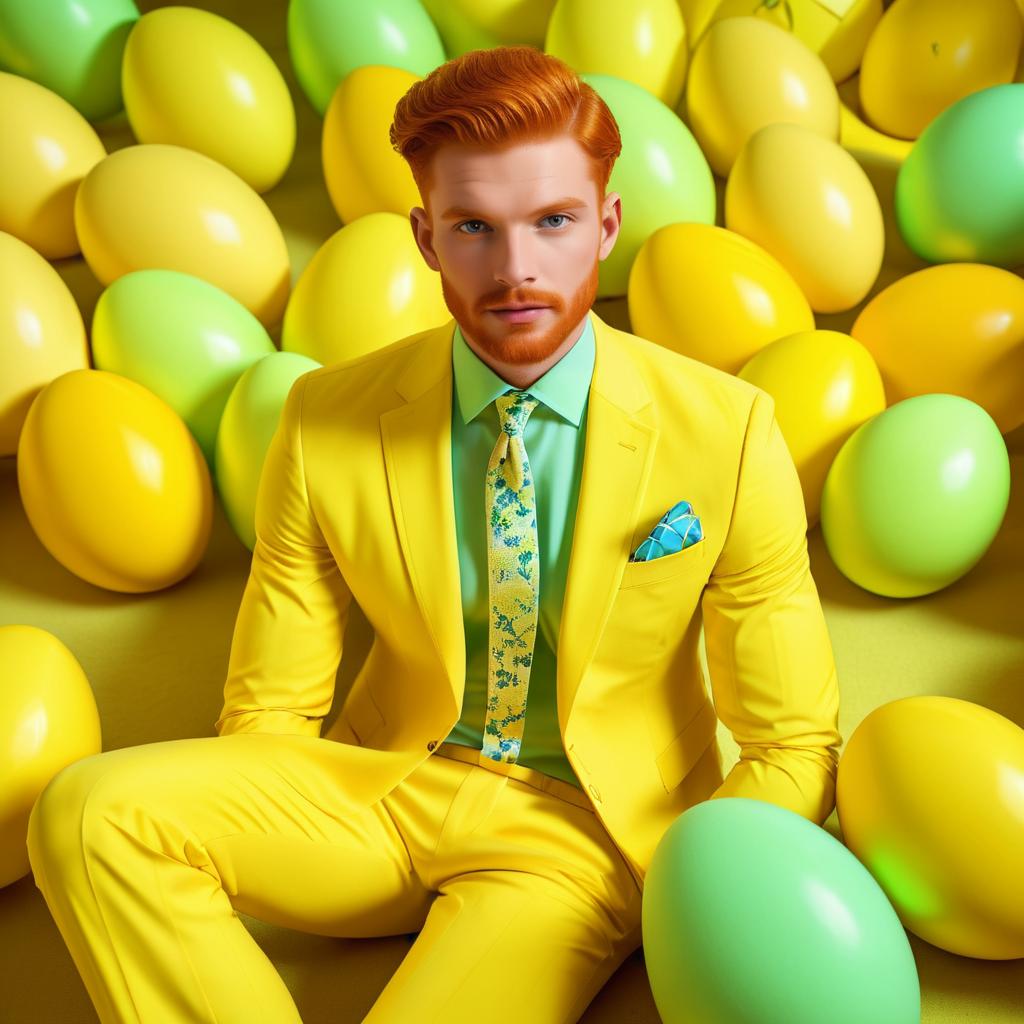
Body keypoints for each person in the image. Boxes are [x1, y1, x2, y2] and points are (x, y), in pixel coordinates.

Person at [26, 44, 843, 1024]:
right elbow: (270, 715)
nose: (516, 269)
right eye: (473, 228)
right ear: (425, 237)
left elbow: (791, 740)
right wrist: (272, 830)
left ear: (605, 226)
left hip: (581, 834)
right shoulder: (325, 417)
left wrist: (698, 886)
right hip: (378, 786)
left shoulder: (730, 429)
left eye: (551, 222)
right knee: (84, 813)